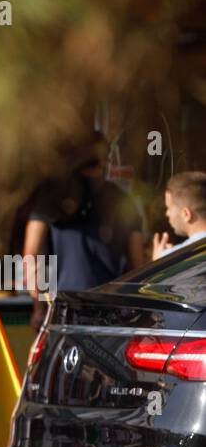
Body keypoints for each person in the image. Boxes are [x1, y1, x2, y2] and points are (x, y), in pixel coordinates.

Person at [23, 132, 145, 328]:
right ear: (105, 159)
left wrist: (38, 307)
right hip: (110, 309)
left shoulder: (52, 196)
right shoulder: (121, 199)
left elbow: (30, 256)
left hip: (63, 308)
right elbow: (137, 264)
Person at [152, 171, 206, 259]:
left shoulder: (171, 257)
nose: (167, 214)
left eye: (169, 207)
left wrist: (158, 261)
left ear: (186, 214)